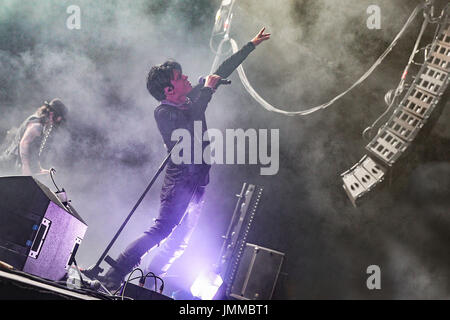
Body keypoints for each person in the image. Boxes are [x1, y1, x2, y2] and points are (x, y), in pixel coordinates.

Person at [101, 28, 270, 290]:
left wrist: (251, 45)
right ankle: (114, 275)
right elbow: (189, 130)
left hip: (198, 182)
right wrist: (207, 92)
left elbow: (221, 70)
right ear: (169, 90)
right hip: (179, 182)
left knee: (179, 242)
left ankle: (146, 286)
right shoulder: (164, 112)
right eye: (180, 78)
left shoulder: (190, 97)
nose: (188, 77)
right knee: (161, 231)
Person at [0, 98, 68, 176]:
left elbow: (34, 150)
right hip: (11, 164)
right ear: (52, 114)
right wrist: (25, 168)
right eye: (59, 117)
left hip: (15, 164)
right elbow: (23, 144)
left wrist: (38, 169)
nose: (59, 120)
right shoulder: (36, 125)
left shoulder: (41, 124)